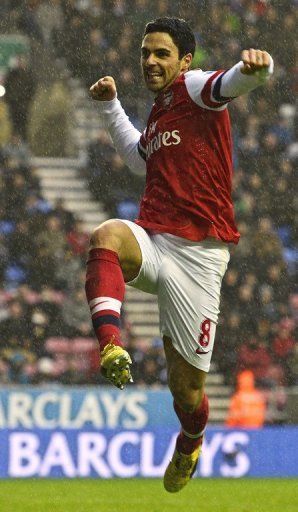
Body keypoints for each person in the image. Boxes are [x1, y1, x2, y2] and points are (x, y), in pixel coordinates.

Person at [86, 17, 273, 492]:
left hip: (199, 258)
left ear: (185, 60)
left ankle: (191, 439)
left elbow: (229, 83)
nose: (150, 61)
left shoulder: (192, 88)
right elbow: (139, 158)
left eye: (161, 54)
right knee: (106, 235)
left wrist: (257, 69)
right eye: (146, 52)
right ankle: (110, 344)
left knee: (185, 391)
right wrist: (111, 107)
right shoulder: (160, 109)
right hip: (155, 239)